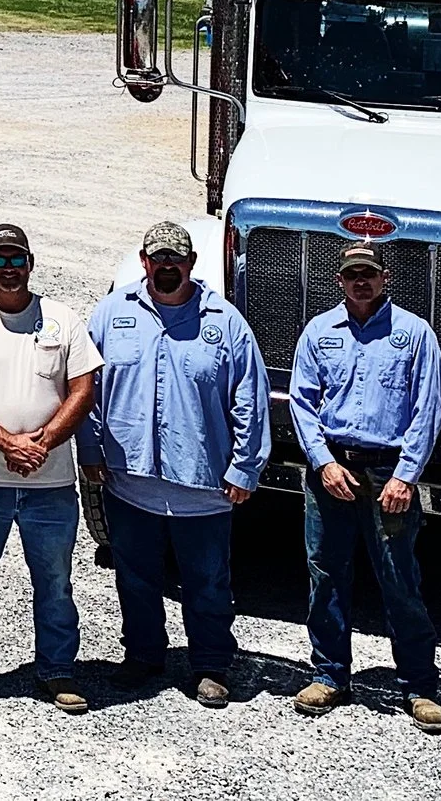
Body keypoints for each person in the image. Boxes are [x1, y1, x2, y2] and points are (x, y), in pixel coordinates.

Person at [81, 221, 267, 709]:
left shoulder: (224, 322)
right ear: (144, 262)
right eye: (158, 259)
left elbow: (249, 398)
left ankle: (211, 664)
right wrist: (90, 448)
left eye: (176, 260)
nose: (167, 268)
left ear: (190, 265)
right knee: (135, 577)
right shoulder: (111, 314)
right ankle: (143, 656)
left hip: (202, 486)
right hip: (129, 481)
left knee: (207, 583)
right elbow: (85, 388)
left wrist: (245, 467)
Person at [0, 223, 101, 715]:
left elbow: (83, 389)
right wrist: (8, 442)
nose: (9, 270)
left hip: (50, 483)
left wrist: (43, 444)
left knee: (55, 583)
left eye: (17, 260)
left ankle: (57, 669)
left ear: (31, 263)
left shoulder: (63, 320)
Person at [289, 239, 441, 734]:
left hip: (387, 476)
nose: (361, 281)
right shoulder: (319, 332)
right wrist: (322, 463)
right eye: (352, 274)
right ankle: (330, 675)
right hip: (332, 472)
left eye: (370, 273)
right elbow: (302, 402)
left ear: (385, 278)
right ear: (339, 279)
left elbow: (428, 409)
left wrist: (405, 475)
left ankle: (420, 686)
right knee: (326, 574)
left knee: (398, 578)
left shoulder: (414, 334)